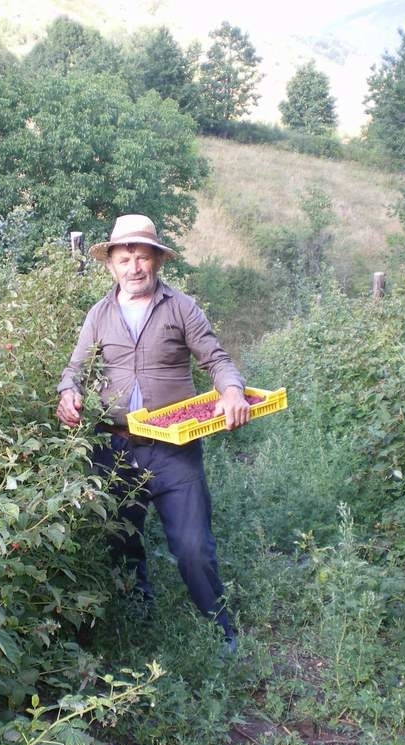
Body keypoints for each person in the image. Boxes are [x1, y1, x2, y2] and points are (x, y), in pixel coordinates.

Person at [56, 213, 251, 652]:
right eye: (124, 258)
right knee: (122, 540)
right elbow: (74, 371)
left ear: (157, 261)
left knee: (193, 548)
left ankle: (221, 631)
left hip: (174, 445)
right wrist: (68, 394)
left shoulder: (181, 307)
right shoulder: (99, 314)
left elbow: (217, 360)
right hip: (115, 447)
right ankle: (139, 615)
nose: (134, 267)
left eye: (142, 257)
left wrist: (233, 391)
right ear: (111, 264)